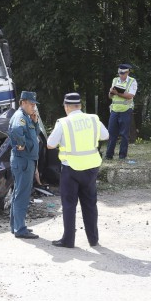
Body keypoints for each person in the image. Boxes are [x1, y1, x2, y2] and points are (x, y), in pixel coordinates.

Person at [47, 93, 109, 248]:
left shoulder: (63, 122)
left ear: (66, 106)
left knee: (69, 205)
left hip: (71, 168)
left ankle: (68, 240)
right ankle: (93, 239)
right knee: (90, 204)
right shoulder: (93, 119)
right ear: (80, 106)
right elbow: (105, 135)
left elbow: (50, 144)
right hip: (91, 168)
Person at [8, 91, 40, 239]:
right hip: (23, 160)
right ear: (23, 102)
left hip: (25, 160)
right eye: (32, 104)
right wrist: (22, 144)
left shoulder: (27, 117)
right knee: (22, 195)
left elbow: (35, 134)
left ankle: (16, 226)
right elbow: (15, 130)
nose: (34, 107)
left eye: (35, 105)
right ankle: (20, 229)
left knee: (18, 193)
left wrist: (35, 121)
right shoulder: (20, 117)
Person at [105, 63, 137, 160]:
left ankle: (122, 156)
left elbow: (130, 96)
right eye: (119, 73)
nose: (121, 75)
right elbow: (110, 96)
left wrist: (117, 92)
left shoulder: (132, 81)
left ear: (128, 72)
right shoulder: (115, 80)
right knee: (111, 133)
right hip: (114, 110)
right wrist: (111, 92)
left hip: (126, 110)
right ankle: (108, 155)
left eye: (123, 73)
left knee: (124, 134)